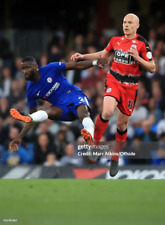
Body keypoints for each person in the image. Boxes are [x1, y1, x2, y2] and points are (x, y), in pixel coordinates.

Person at [71, 13, 156, 177]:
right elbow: (102, 54)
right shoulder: (116, 41)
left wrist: (138, 58)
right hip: (114, 81)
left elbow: (152, 67)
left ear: (137, 25)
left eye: (130, 22)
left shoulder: (142, 44)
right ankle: (94, 146)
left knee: (122, 125)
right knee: (108, 111)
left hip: (130, 87)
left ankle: (115, 158)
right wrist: (82, 56)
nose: (126, 25)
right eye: (124, 22)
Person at [9, 56, 107, 152]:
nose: (25, 71)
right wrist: (19, 137)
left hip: (73, 95)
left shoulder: (51, 68)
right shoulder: (31, 91)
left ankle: (89, 138)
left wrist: (95, 62)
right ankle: (28, 117)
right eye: (23, 69)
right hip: (61, 108)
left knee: (83, 114)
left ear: (35, 66)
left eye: (27, 67)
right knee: (43, 112)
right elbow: (32, 119)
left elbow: (77, 65)